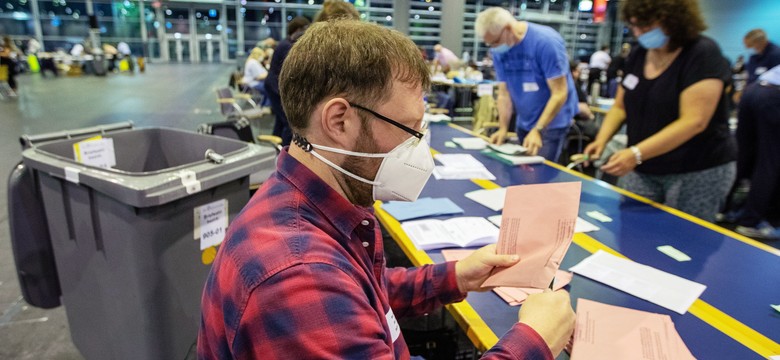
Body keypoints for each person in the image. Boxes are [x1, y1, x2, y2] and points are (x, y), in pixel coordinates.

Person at [199, 20, 575, 359]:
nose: (419, 147)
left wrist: (456, 276)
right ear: (339, 120)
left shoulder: (310, 199)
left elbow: (359, 292)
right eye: (410, 130)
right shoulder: (298, 277)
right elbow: (331, 291)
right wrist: (534, 341)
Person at [583, 0, 736, 223]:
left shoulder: (702, 53)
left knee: (682, 239)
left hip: (695, 169)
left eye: (645, 27)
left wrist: (636, 153)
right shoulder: (638, 54)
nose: (639, 33)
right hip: (644, 166)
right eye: (634, 26)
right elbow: (620, 106)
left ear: (673, 20)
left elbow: (694, 121)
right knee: (633, 230)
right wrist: (602, 139)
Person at [475, 7, 579, 161]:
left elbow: (559, 93)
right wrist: (503, 128)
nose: (493, 48)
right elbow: (504, 93)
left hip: (551, 124)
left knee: (538, 177)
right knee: (519, 172)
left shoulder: (546, 42)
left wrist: (538, 129)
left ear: (508, 28)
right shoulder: (500, 51)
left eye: (495, 42)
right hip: (525, 120)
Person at [732, 65, 780, 240]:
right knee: (771, 162)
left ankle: (730, 209)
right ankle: (752, 221)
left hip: (753, 90)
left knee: (743, 154)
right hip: (773, 96)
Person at [264, 16, 311, 146]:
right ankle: (285, 151)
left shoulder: (285, 43)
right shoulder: (287, 46)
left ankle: (275, 147)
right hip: (275, 87)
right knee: (288, 123)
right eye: (304, 30)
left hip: (273, 85)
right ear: (296, 29)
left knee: (280, 120)